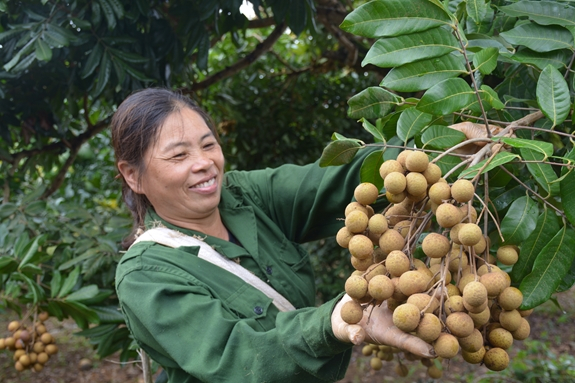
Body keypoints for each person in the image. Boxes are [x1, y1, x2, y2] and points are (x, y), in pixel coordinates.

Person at [112, 87, 434, 383]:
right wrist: (331, 323)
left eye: (209, 144)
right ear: (133, 176)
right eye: (179, 155)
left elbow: (333, 182)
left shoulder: (245, 195)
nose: (204, 163)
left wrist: (434, 153)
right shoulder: (143, 276)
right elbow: (235, 355)